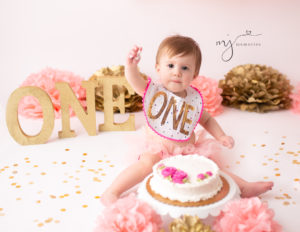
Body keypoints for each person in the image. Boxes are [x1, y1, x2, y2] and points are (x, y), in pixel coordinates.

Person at [101, 35, 273, 206]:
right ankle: (113, 191)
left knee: (210, 170)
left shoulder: (192, 99)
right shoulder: (154, 92)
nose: (177, 72)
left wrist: (221, 136)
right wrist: (131, 66)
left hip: (186, 151)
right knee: (146, 164)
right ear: (158, 68)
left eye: (184, 68)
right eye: (170, 65)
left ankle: (244, 187)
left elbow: (206, 119)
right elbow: (135, 81)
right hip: (157, 148)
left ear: (194, 74)